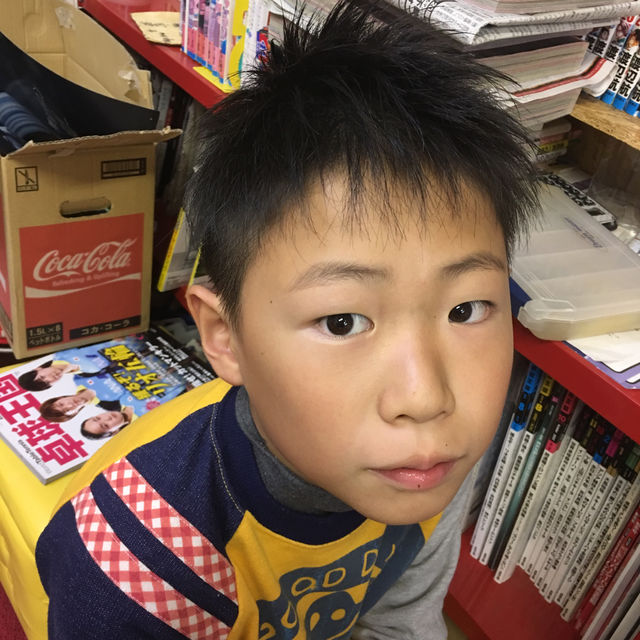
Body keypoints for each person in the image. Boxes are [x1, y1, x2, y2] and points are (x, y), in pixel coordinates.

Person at [35, 1, 539, 638]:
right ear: (225, 338)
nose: (426, 397)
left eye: (465, 310)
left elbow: (402, 619)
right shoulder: (135, 575)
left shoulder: (431, 456)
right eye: (342, 322)